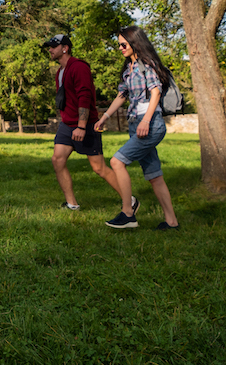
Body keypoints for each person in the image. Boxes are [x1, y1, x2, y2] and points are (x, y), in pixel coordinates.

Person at [94, 25, 181, 231]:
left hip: (149, 124)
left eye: (123, 44)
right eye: (118, 45)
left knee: (116, 161)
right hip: (136, 124)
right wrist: (104, 117)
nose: (120, 48)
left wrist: (146, 121)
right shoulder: (128, 69)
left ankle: (128, 212)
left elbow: (156, 92)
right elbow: (122, 95)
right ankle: (172, 223)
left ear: (134, 43)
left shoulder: (147, 65)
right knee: (154, 175)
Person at [41, 34, 124, 212]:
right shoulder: (60, 72)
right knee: (57, 159)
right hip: (67, 124)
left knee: (99, 168)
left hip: (85, 124)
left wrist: (81, 126)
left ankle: (129, 200)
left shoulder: (79, 67)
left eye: (54, 46)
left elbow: (84, 97)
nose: (50, 50)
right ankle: (72, 204)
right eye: (49, 46)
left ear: (65, 48)